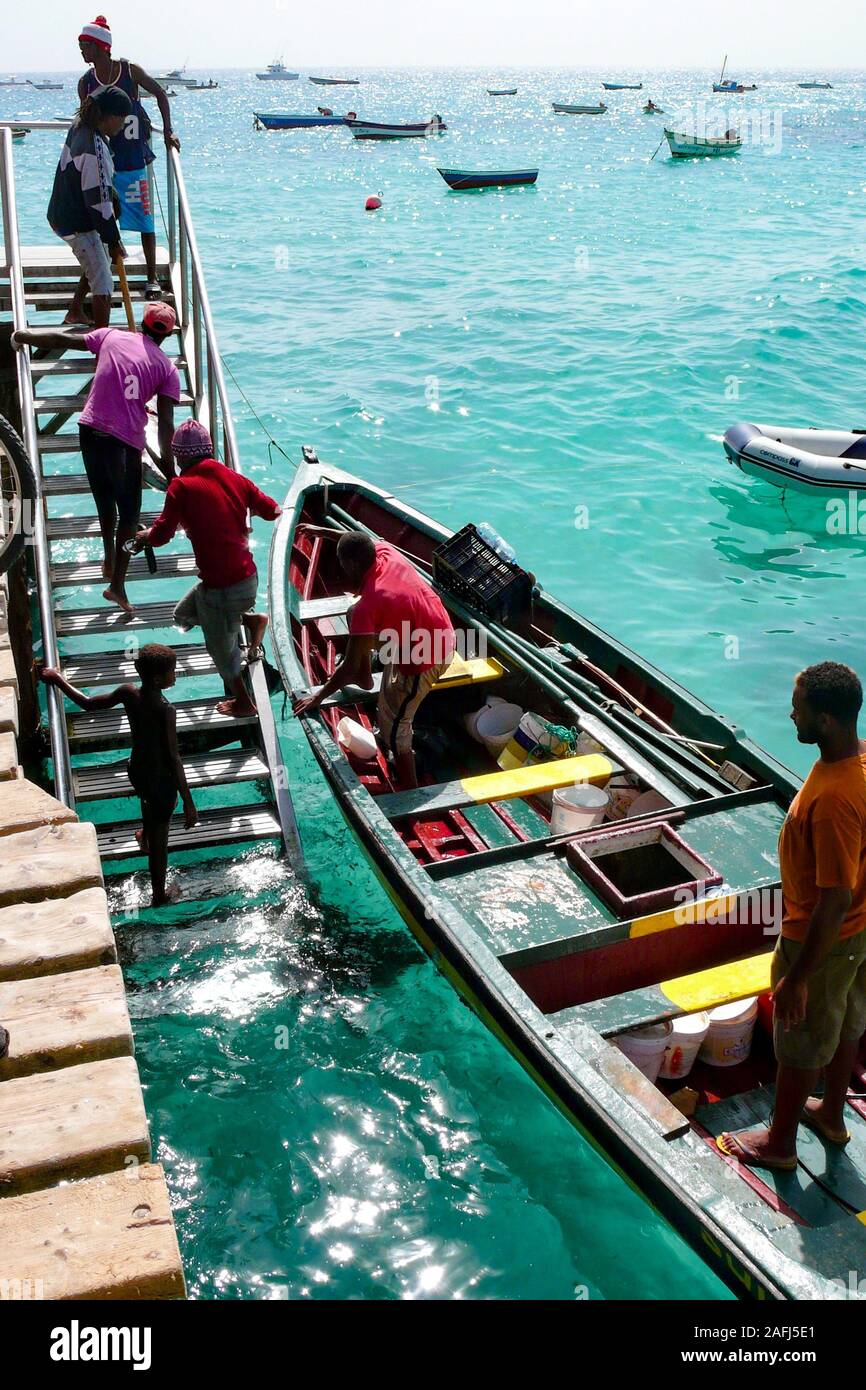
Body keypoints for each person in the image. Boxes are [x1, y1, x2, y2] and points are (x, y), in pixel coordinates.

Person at [719, 662, 866, 1170]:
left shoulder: (833, 800)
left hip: (819, 938)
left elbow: (835, 898)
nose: (790, 714)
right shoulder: (859, 760)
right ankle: (831, 1112)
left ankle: (779, 1145)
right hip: (859, 934)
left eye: (799, 708)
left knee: (800, 1039)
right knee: (847, 1017)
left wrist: (800, 977)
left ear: (825, 720)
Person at [12, 303, 180, 614]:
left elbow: (63, 339)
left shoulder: (110, 337)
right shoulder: (167, 369)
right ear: (168, 335)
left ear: (142, 323)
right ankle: (117, 585)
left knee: (105, 501)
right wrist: (171, 471)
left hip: (90, 430)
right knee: (129, 516)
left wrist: (24, 335)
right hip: (124, 440)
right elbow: (166, 425)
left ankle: (108, 557)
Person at [133, 421, 280, 718]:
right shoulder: (236, 478)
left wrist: (144, 536)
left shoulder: (181, 486)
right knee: (182, 615)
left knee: (222, 653)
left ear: (179, 457)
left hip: (221, 589)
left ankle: (244, 703)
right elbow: (272, 509)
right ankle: (251, 620)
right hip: (247, 580)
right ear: (210, 451)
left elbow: (161, 535)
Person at [292, 532, 455, 789]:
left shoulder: (370, 604)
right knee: (352, 609)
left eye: (343, 563)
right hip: (438, 630)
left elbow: (346, 669)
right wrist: (322, 531)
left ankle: (410, 791)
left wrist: (319, 697)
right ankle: (365, 675)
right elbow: (358, 538)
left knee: (394, 728)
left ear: (353, 564)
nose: (342, 568)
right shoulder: (386, 552)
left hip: (426, 659)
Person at [39, 646, 197, 907]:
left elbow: (88, 704)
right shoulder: (165, 710)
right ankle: (159, 894)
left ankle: (143, 835)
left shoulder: (128, 692)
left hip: (137, 770)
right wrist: (188, 801)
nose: (176, 675)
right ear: (158, 679)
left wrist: (58, 679)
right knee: (161, 841)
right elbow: (174, 758)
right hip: (160, 779)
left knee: (148, 804)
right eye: (172, 671)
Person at [78, 15, 180, 301]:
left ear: (101, 47)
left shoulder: (129, 71)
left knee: (145, 220)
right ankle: (100, 278)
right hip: (104, 164)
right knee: (100, 224)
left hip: (134, 159)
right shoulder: (85, 83)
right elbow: (84, 121)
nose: (81, 50)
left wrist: (168, 131)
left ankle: (150, 278)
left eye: (85, 44)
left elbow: (160, 94)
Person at [47, 84, 133, 327]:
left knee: (97, 258)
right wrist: (114, 240)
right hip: (76, 222)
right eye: (123, 118)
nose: (123, 124)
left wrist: (109, 237)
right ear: (111, 116)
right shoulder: (95, 149)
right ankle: (102, 345)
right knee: (104, 282)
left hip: (63, 212)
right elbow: (99, 204)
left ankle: (75, 310)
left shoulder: (79, 127)